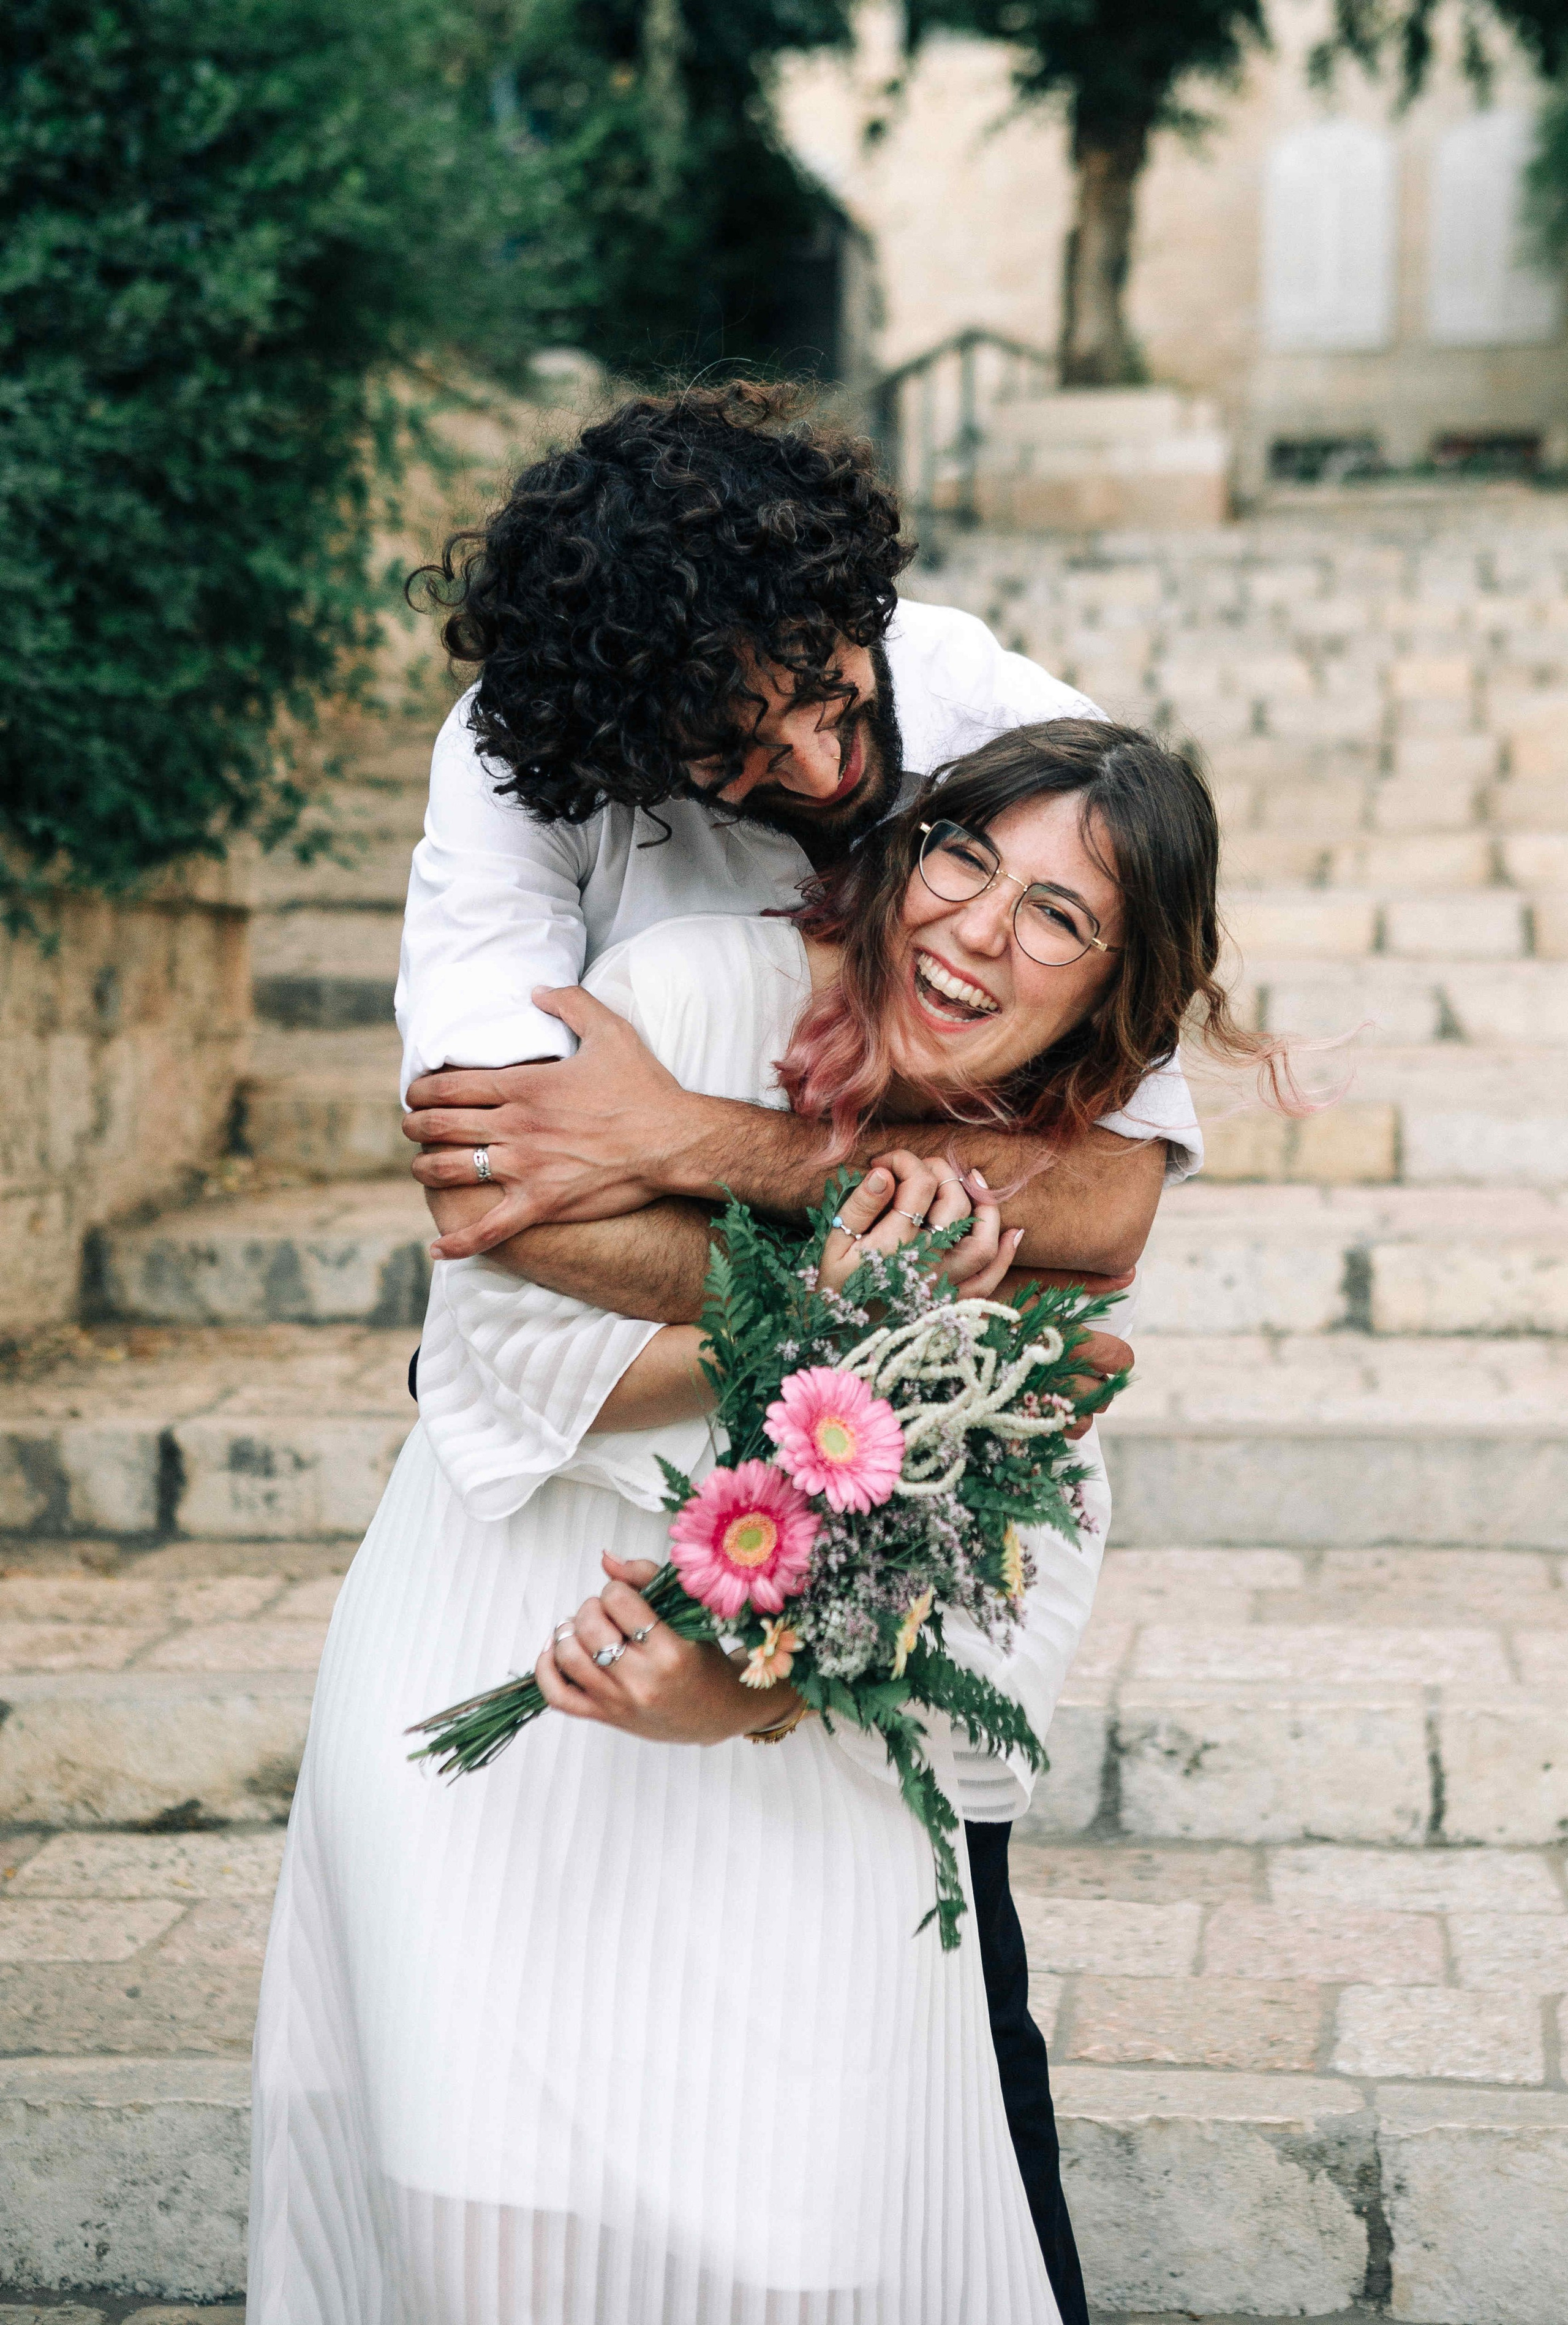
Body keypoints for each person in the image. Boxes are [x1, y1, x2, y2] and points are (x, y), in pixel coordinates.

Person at [251, 722, 1286, 2324]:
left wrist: (741, 1689)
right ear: (907, 847)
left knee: (804, 2244)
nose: (982, 931)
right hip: (496, 1658)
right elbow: (488, 1347)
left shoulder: (1052, 1209)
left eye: (1062, 918)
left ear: (1115, 997)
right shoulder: (672, 1002)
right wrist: (815, 1313)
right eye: (967, 858)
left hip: (799, 1773)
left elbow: (1009, 1580)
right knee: (483, 2233)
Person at [390, 382, 1188, 2318]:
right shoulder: (521, 769)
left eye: (832, 693)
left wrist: (700, 1145)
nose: (827, 761)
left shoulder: (985, 711)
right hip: (566, 1482)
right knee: (556, 2088)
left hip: (888, 1482)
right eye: (740, 742)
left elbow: (1106, 1208)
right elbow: (505, 1200)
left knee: (935, 2048)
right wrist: (886, 1267)